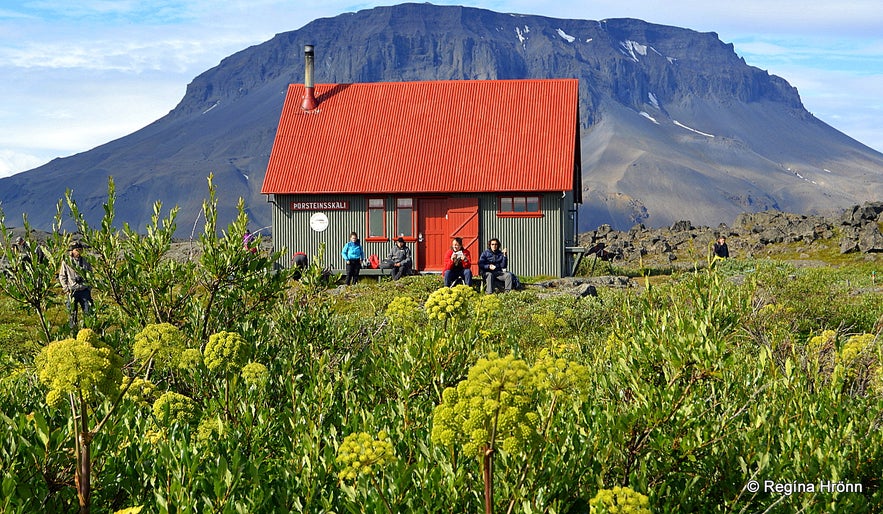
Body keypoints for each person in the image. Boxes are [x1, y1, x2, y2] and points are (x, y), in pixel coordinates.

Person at [58, 241, 92, 329]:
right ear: (72, 250)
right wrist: (66, 289)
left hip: (84, 291)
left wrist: (89, 287)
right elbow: (62, 276)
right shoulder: (66, 262)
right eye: (77, 250)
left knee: (88, 311)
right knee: (72, 313)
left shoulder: (86, 261)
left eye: (80, 250)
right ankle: (73, 331)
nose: (79, 252)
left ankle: (87, 330)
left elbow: (91, 274)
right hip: (72, 291)